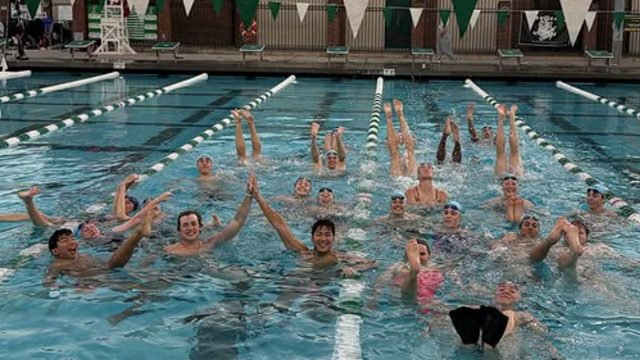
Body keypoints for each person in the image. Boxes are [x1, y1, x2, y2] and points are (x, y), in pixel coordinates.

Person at [252, 176, 377, 276]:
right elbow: (278, 224)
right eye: (319, 234)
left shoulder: (339, 257)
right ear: (312, 237)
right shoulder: (302, 252)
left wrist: (352, 268)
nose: (323, 239)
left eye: (327, 235)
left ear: (334, 238)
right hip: (296, 285)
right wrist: (257, 197)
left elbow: (373, 263)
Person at [43, 205, 159, 287]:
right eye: (64, 240)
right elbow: (48, 282)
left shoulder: (83, 254)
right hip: (97, 282)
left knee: (115, 264)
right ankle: (138, 233)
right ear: (55, 251)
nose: (72, 242)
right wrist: (71, 288)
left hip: (108, 273)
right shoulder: (57, 265)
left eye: (72, 238)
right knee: (145, 287)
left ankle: (138, 233)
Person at [17, 187, 172, 244]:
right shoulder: (79, 246)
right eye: (85, 229)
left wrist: (157, 200)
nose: (90, 227)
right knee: (48, 225)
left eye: (131, 201)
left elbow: (136, 218)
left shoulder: (112, 230)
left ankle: (28, 202)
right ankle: (29, 202)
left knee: (47, 224)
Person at [164, 174, 254, 256]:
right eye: (185, 225)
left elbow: (238, 221)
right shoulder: (170, 251)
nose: (190, 228)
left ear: (200, 227)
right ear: (179, 231)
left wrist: (249, 194)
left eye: (193, 224)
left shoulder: (209, 244)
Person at [449, 281, 546, 349]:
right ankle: (481, 341)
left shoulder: (522, 316)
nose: (506, 291)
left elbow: (541, 333)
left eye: (512, 291)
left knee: (510, 314)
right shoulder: (481, 309)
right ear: (494, 295)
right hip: (487, 343)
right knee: (474, 310)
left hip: (500, 343)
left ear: (518, 299)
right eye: (501, 289)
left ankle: (485, 340)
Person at [374, 238, 443, 308]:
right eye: (415, 254)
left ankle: (414, 271)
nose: (418, 257)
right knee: (409, 279)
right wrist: (375, 296)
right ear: (406, 256)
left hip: (426, 299)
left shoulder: (436, 267)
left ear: (429, 256)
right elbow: (382, 280)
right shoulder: (399, 266)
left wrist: (374, 298)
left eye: (422, 254)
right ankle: (413, 271)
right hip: (406, 291)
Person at [385, 100, 417, 177]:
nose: (400, 137)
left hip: (398, 179)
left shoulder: (389, 144)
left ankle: (389, 119)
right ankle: (400, 116)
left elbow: (391, 147)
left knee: (394, 154)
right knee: (410, 153)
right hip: (412, 177)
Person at [494, 104, 523, 177]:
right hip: (512, 180)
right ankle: (509, 118)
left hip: (504, 180)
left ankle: (502, 119)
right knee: (508, 154)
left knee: (502, 154)